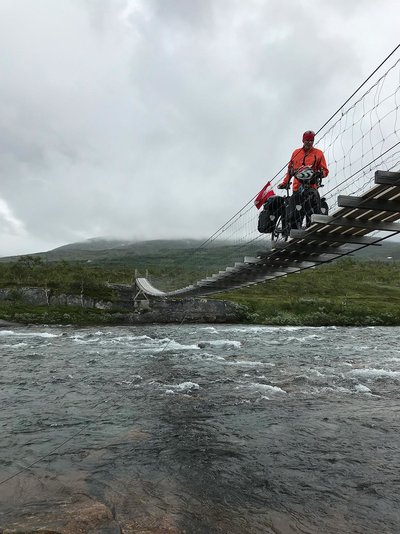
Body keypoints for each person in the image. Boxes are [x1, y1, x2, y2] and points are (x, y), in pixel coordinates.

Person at [277, 130, 329, 229]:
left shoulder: (319, 153)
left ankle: (311, 229)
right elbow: (290, 170)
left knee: (312, 210)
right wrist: (285, 183)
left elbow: (325, 170)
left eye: (311, 140)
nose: (309, 142)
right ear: (303, 140)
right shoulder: (296, 153)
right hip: (297, 188)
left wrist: (320, 174)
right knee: (296, 213)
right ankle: (294, 230)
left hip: (312, 187)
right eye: (307, 140)